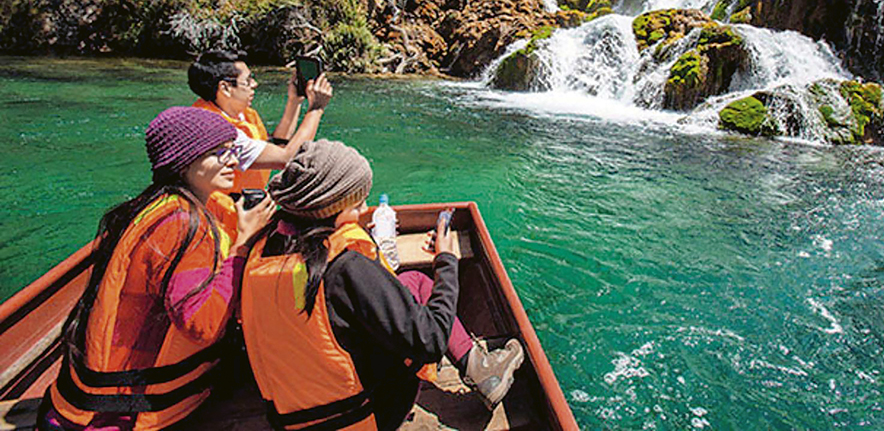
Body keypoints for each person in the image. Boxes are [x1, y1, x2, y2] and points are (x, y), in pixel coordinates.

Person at [240, 140, 525, 431]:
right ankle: (479, 368)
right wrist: (446, 260)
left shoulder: (263, 248)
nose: (365, 207)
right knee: (419, 311)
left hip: (292, 416)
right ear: (334, 206)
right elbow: (431, 340)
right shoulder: (345, 270)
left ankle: (476, 365)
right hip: (361, 416)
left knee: (412, 281)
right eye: (357, 202)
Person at [39, 107, 276, 431]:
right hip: (124, 409)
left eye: (231, 150)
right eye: (218, 153)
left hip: (94, 394)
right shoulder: (182, 226)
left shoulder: (156, 203)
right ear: (184, 161)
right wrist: (243, 246)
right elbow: (202, 324)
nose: (233, 161)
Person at [187, 49, 333, 194]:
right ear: (225, 88)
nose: (254, 84)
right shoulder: (216, 129)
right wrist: (316, 108)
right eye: (247, 81)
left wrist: (294, 102)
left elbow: (277, 146)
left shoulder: (242, 114)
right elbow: (286, 158)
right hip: (225, 207)